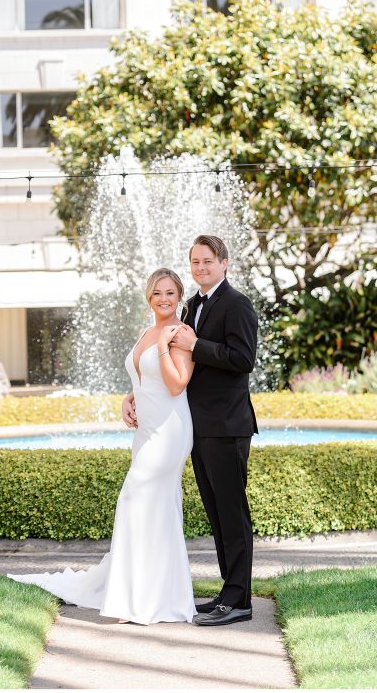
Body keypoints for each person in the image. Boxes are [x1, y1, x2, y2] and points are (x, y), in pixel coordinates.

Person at [10, 269, 196, 625]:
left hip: (170, 431)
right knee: (152, 508)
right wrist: (129, 398)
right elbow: (144, 378)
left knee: (133, 500)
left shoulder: (180, 333)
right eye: (157, 293)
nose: (164, 299)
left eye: (170, 293)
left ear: (179, 296)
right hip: (146, 431)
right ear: (149, 296)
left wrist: (162, 347)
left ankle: (139, 599)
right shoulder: (147, 331)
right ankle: (148, 594)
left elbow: (177, 384)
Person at [124, 234, 259, 627]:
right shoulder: (193, 305)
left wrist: (197, 345)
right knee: (217, 514)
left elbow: (243, 359)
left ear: (224, 263)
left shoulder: (236, 304)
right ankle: (228, 591)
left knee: (233, 513)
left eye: (207, 261)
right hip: (198, 427)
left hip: (227, 427)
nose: (201, 268)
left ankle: (240, 601)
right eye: (195, 262)